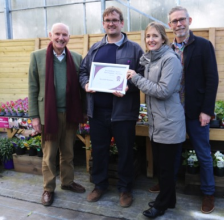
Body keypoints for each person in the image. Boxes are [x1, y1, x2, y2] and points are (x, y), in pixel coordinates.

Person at [79, 6, 144, 208]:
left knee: (125, 151)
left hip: (123, 113)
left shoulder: (134, 49)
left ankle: (125, 189)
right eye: (107, 20)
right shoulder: (95, 48)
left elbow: (142, 77)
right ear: (103, 23)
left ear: (122, 23)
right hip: (98, 112)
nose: (111, 23)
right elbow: (83, 71)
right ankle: (100, 185)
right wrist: (86, 84)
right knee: (99, 150)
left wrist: (127, 86)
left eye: (115, 20)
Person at [127, 22, 186, 218]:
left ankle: (161, 204)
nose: (150, 39)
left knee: (166, 168)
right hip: (157, 122)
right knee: (163, 167)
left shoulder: (170, 60)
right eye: (147, 36)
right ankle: (170, 200)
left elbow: (163, 90)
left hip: (169, 122)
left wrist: (135, 78)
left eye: (155, 36)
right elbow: (148, 85)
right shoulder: (151, 60)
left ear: (163, 38)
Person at [168, 6, 219, 214]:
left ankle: (208, 193)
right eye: (174, 21)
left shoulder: (203, 46)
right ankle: (167, 186)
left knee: (203, 153)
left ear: (189, 20)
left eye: (182, 20)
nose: (179, 24)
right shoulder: (167, 49)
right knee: (172, 152)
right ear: (170, 25)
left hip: (196, 111)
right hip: (173, 112)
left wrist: (207, 110)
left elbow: (212, 79)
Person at [28, 23, 86, 206]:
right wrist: (35, 117)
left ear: (69, 37)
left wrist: (83, 112)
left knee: (68, 152)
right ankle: (48, 188)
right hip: (48, 116)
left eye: (65, 35)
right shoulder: (37, 57)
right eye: (57, 34)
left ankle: (67, 182)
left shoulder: (76, 58)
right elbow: (33, 88)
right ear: (50, 35)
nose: (61, 38)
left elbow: (81, 88)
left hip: (70, 115)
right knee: (49, 154)